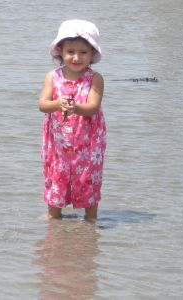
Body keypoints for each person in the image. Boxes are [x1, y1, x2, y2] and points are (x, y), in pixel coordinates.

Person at [38, 19, 106, 221]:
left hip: (88, 145)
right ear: (60, 51)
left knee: (87, 178)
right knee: (57, 177)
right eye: (70, 52)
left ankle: (90, 220)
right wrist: (57, 103)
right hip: (58, 144)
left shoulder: (95, 78)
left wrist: (76, 107)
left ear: (92, 53)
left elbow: (93, 107)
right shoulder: (53, 76)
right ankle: (54, 219)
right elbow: (42, 104)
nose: (76, 57)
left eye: (83, 52)